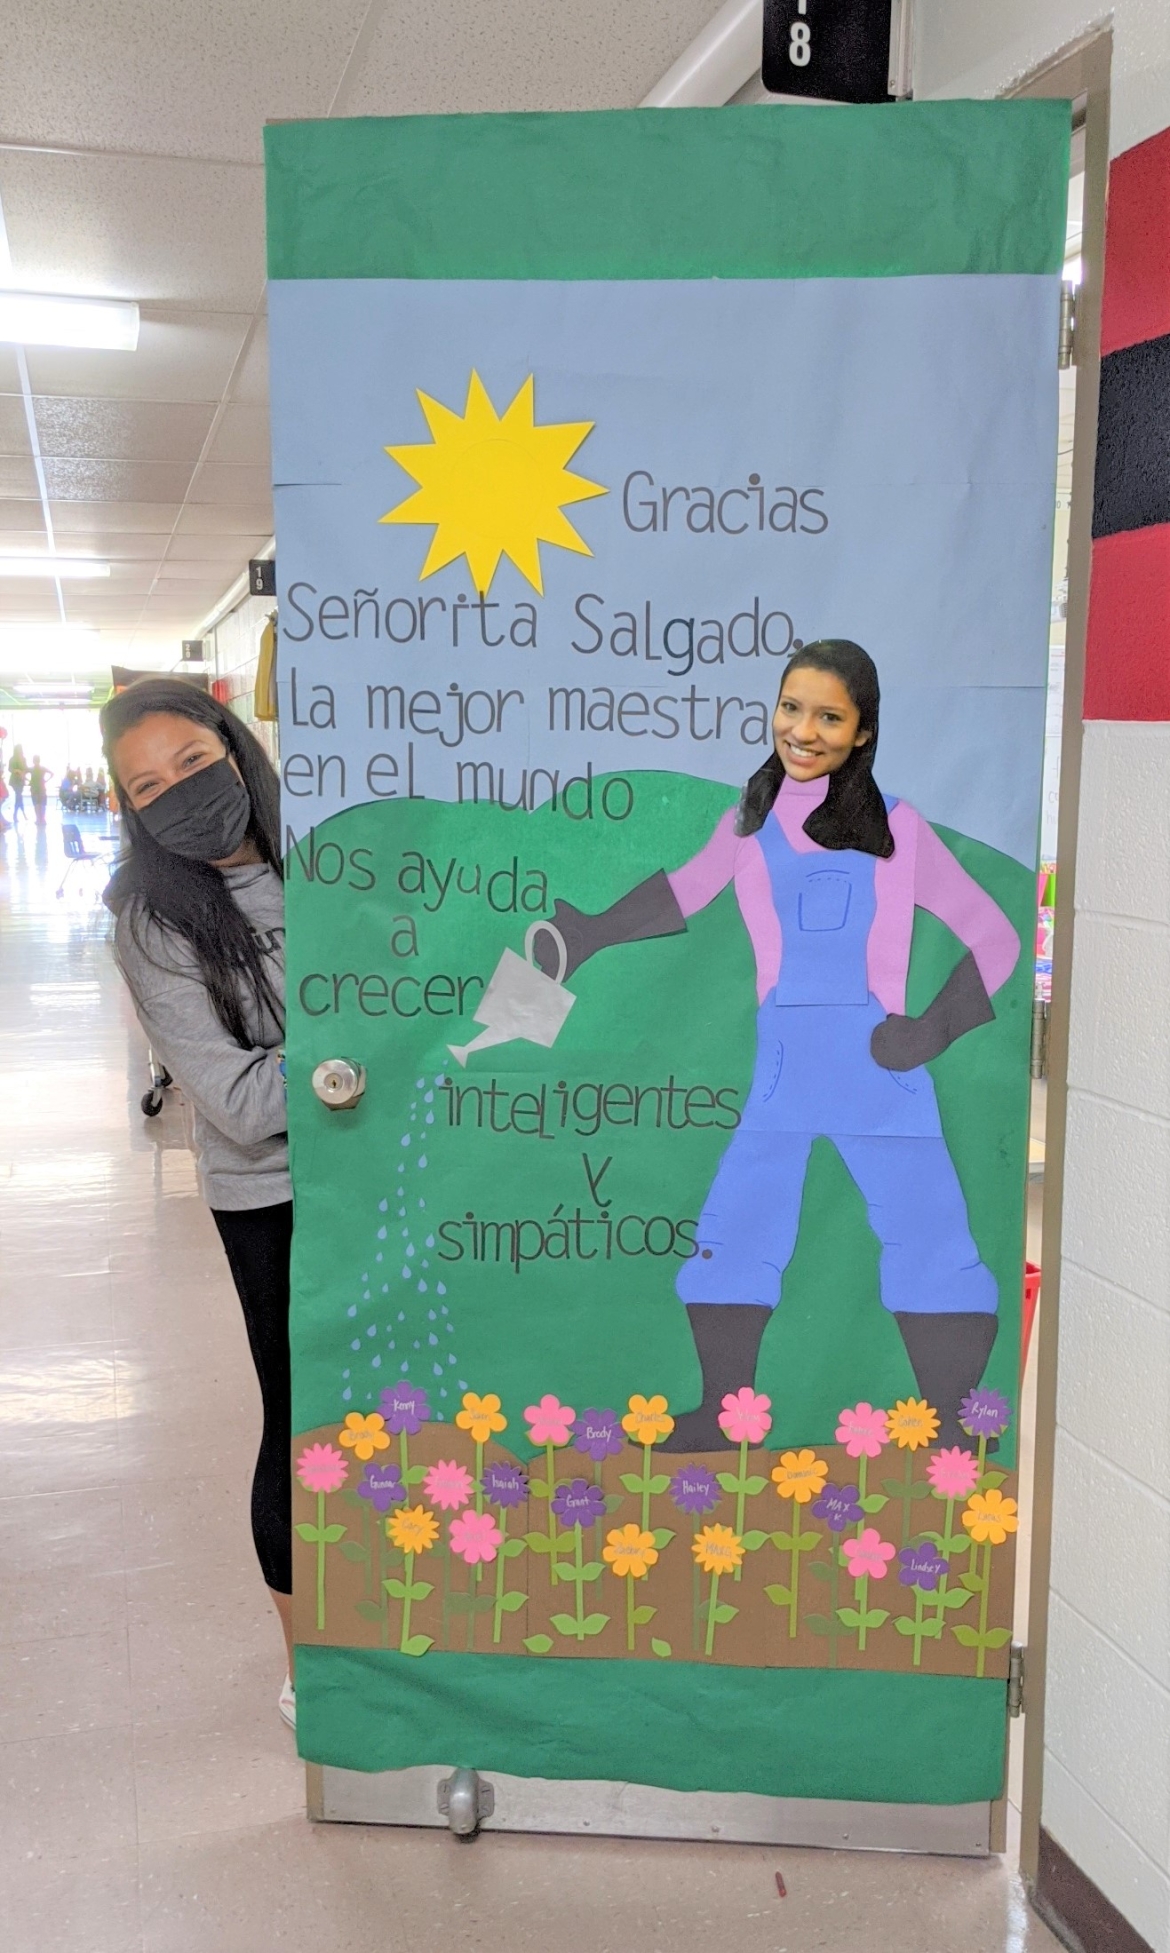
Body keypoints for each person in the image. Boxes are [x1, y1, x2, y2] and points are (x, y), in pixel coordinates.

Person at [533, 640, 1019, 1452]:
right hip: (785, 1065)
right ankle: (727, 1418)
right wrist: (588, 936)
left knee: (928, 1228)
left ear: (863, 731)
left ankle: (958, 1431)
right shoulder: (748, 825)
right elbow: (684, 894)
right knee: (739, 1225)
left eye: (829, 715)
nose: (804, 729)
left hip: (878, 1063)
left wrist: (930, 1031)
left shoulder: (900, 830)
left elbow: (995, 938)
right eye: (791, 707)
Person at [99, 677, 295, 1728]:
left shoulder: (337, 856)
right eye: (147, 786)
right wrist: (383, 1053)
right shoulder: (151, 918)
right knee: (303, 1416)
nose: (177, 792)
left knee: (421, 1408)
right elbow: (234, 1101)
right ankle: (314, 1670)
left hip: (405, 1176)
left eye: (190, 762)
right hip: (275, 1200)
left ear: (233, 744)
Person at [28, 754, 53, 826]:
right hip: (42, 787)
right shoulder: (43, 768)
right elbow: (52, 774)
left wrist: (28, 781)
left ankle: (38, 819)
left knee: (36, 804)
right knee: (42, 804)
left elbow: (23, 774)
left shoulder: (31, 769)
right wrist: (46, 780)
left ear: (33, 761)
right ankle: (43, 819)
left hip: (34, 788)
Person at [8, 744, 26, 823]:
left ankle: (18, 814)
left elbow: (25, 768)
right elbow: (10, 769)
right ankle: (19, 813)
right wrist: (17, 771)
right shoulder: (12, 759)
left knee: (19, 797)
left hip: (21, 780)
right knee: (19, 796)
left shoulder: (23, 759)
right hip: (15, 780)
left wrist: (23, 773)